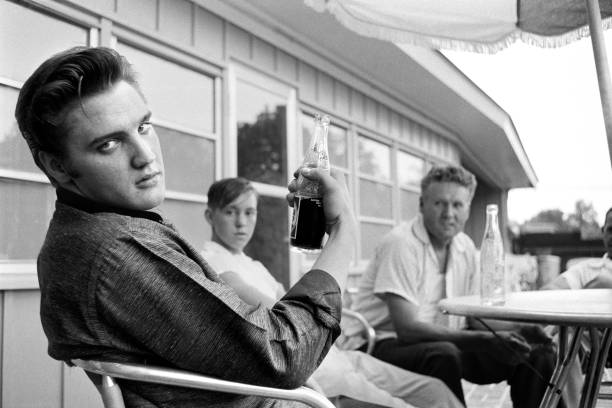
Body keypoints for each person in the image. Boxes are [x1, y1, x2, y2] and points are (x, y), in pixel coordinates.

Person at [15, 46, 357, 408]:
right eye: (109, 144)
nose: (146, 155)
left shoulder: (89, 234)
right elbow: (285, 355)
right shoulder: (117, 250)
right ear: (57, 166)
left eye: (143, 127)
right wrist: (343, 231)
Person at [200, 177, 463, 408]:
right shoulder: (212, 262)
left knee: (435, 390)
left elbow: (292, 301)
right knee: (402, 405)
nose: (241, 222)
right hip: (310, 369)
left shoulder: (255, 265)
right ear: (210, 216)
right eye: (230, 212)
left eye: (249, 212)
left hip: (335, 355)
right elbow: (286, 314)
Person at [344, 165, 560, 408]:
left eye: (457, 205)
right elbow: (408, 330)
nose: (449, 213)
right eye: (440, 203)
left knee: (535, 351)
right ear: (422, 204)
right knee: (443, 354)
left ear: (468, 209)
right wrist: (483, 340)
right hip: (379, 344)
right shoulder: (401, 244)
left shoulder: (464, 247)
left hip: (443, 341)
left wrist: (520, 329)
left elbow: (475, 318)